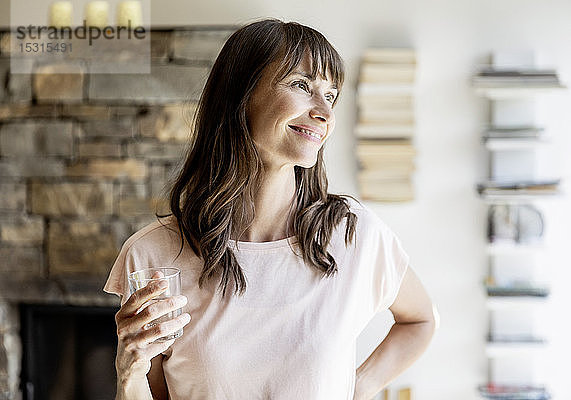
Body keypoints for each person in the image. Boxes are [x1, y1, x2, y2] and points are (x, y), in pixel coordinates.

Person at [104, 18, 437, 400]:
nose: (324, 113)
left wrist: (358, 386)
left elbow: (421, 320)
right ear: (241, 94)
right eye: (301, 85)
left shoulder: (354, 236)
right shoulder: (152, 255)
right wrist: (129, 374)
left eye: (330, 95)